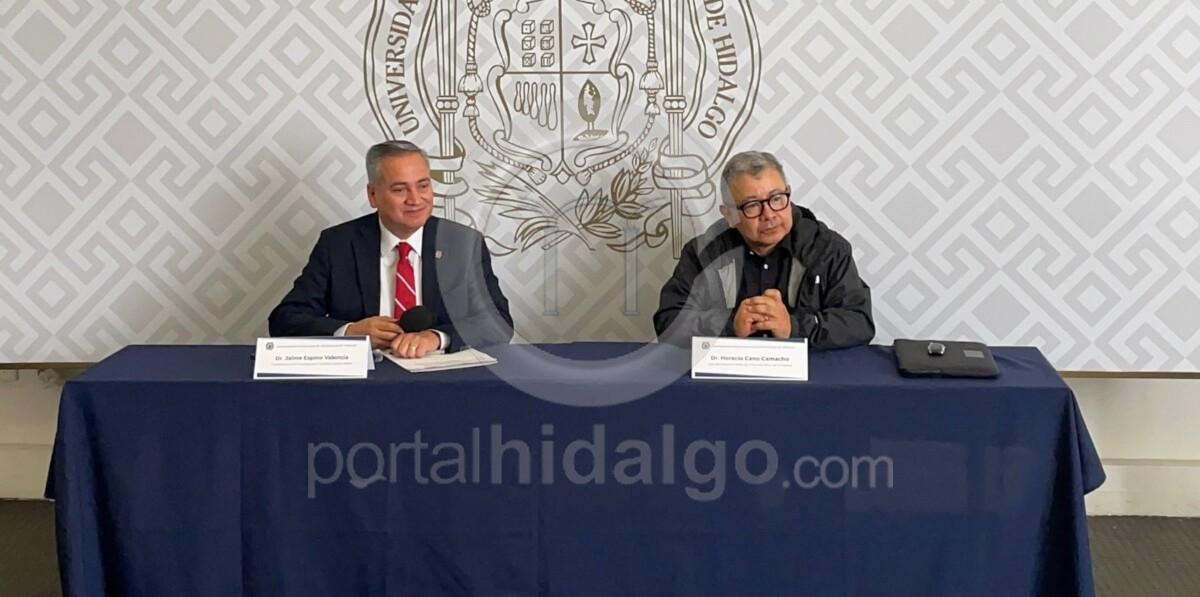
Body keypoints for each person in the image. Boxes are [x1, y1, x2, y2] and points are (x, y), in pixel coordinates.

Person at [268, 140, 513, 358]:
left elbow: (497, 322)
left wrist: (437, 337)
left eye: (423, 186)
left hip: (440, 379)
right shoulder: (338, 244)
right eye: (400, 189)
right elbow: (285, 320)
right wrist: (351, 332)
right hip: (363, 381)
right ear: (373, 195)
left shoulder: (463, 244)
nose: (415, 200)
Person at [653, 150, 874, 349]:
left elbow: (859, 322)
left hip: (810, 375)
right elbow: (668, 322)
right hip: (728, 373)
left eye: (776, 199)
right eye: (752, 205)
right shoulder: (704, 253)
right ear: (729, 214)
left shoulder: (826, 248)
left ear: (788, 194)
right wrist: (729, 325)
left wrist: (794, 327)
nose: (769, 215)